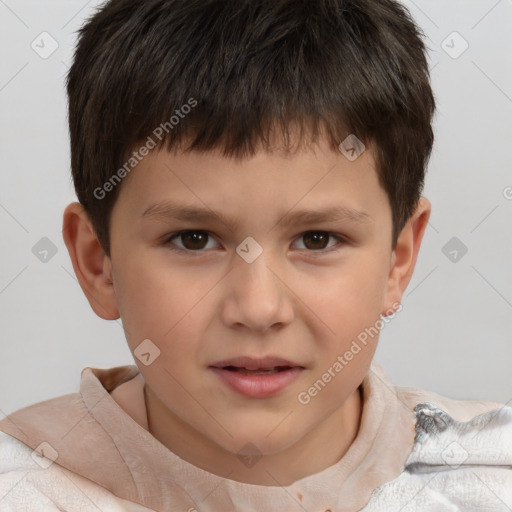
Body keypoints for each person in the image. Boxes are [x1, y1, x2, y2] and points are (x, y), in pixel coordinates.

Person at [1, 0, 511, 510]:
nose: (259, 309)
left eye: (316, 239)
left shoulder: (489, 476)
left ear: (398, 261)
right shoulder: (24, 490)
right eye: (194, 239)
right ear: (99, 263)